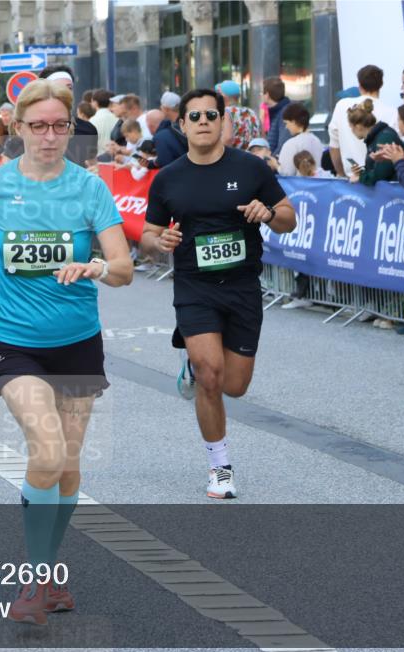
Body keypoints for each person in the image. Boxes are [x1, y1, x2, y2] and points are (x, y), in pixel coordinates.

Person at [0, 78, 133, 625]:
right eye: (39, 126)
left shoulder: (89, 189)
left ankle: (50, 572)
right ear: (18, 129)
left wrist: (97, 267)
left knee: (69, 470)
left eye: (61, 126)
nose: (51, 136)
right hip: (13, 343)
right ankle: (35, 582)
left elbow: (124, 268)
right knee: (49, 453)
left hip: (78, 343)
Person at [140, 88, 296, 500]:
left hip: (243, 287)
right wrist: (161, 242)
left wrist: (268, 213)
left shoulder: (250, 169)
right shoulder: (169, 178)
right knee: (210, 376)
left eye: (212, 114)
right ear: (183, 125)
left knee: (234, 386)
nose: (204, 121)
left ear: (224, 121)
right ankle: (219, 467)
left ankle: (198, 369)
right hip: (195, 287)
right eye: (196, 116)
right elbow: (148, 236)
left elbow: (288, 218)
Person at [328, 64, 400, 178]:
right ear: (381, 84)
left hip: (353, 178)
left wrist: (341, 174)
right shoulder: (392, 112)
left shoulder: (341, 106)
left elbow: (334, 147)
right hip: (380, 182)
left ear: (359, 85)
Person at [38, 64, 98, 166]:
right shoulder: (31, 127)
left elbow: (91, 164)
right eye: (58, 87)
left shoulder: (88, 129)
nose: (65, 93)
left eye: (69, 88)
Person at [346, 99, 400, 186]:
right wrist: (362, 173)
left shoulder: (384, 138)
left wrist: (361, 177)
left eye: (351, 127)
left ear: (358, 126)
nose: (351, 131)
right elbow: (378, 170)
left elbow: (382, 174)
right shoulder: (375, 138)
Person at [276, 103, 323, 177]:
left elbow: (287, 173)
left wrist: (276, 166)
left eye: (287, 123)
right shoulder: (317, 141)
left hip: (297, 186)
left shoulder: (291, 144)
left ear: (294, 122)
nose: (286, 127)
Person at [216, 80, 261, 150]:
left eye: (218, 93)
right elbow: (262, 136)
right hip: (253, 156)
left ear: (223, 96)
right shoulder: (251, 111)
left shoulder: (226, 112)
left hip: (234, 157)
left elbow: (227, 138)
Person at [261, 77, 291, 154]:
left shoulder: (285, 112)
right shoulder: (278, 111)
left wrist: (271, 160)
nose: (261, 95)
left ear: (267, 95)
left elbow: (283, 143)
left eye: (262, 92)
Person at [89, 89, 118, 156]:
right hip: (118, 160)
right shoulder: (119, 119)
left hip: (98, 160)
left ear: (95, 103)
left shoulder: (92, 121)